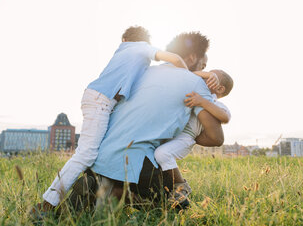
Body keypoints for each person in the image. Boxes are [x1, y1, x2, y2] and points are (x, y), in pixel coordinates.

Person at [34, 26, 189, 213]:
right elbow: (175, 59)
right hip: (101, 101)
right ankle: (46, 206)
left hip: (101, 100)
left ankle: (82, 198)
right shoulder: (138, 47)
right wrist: (189, 81)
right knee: (85, 155)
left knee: (94, 153)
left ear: (124, 38)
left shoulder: (128, 52)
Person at [85, 32, 224, 207]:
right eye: (203, 67)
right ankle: (120, 194)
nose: (204, 73)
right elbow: (216, 138)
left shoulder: (144, 73)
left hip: (100, 157)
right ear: (192, 57)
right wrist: (187, 135)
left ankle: (100, 190)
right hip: (136, 161)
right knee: (176, 205)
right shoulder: (195, 84)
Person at [154, 69, 233, 205]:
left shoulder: (216, 104)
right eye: (207, 74)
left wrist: (202, 102)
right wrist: (207, 75)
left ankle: (181, 187)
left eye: (212, 78)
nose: (206, 77)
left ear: (220, 89)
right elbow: (188, 74)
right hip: (171, 132)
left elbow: (225, 117)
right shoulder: (194, 89)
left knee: (162, 154)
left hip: (186, 137)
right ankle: (163, 191)